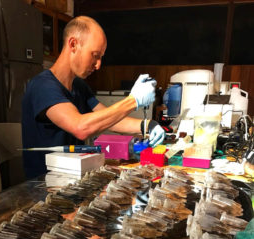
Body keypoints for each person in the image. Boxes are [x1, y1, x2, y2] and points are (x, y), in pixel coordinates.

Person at [22, 16, 165, 179]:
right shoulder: (43, 86)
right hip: (45, 185)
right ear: (73, 44)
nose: (98, 65)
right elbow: (80, 128)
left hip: (76, 177)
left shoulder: (79, 86)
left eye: (100, 57)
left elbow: (111, 119)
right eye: (95, 55)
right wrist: (132, 101)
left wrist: (147, 125)